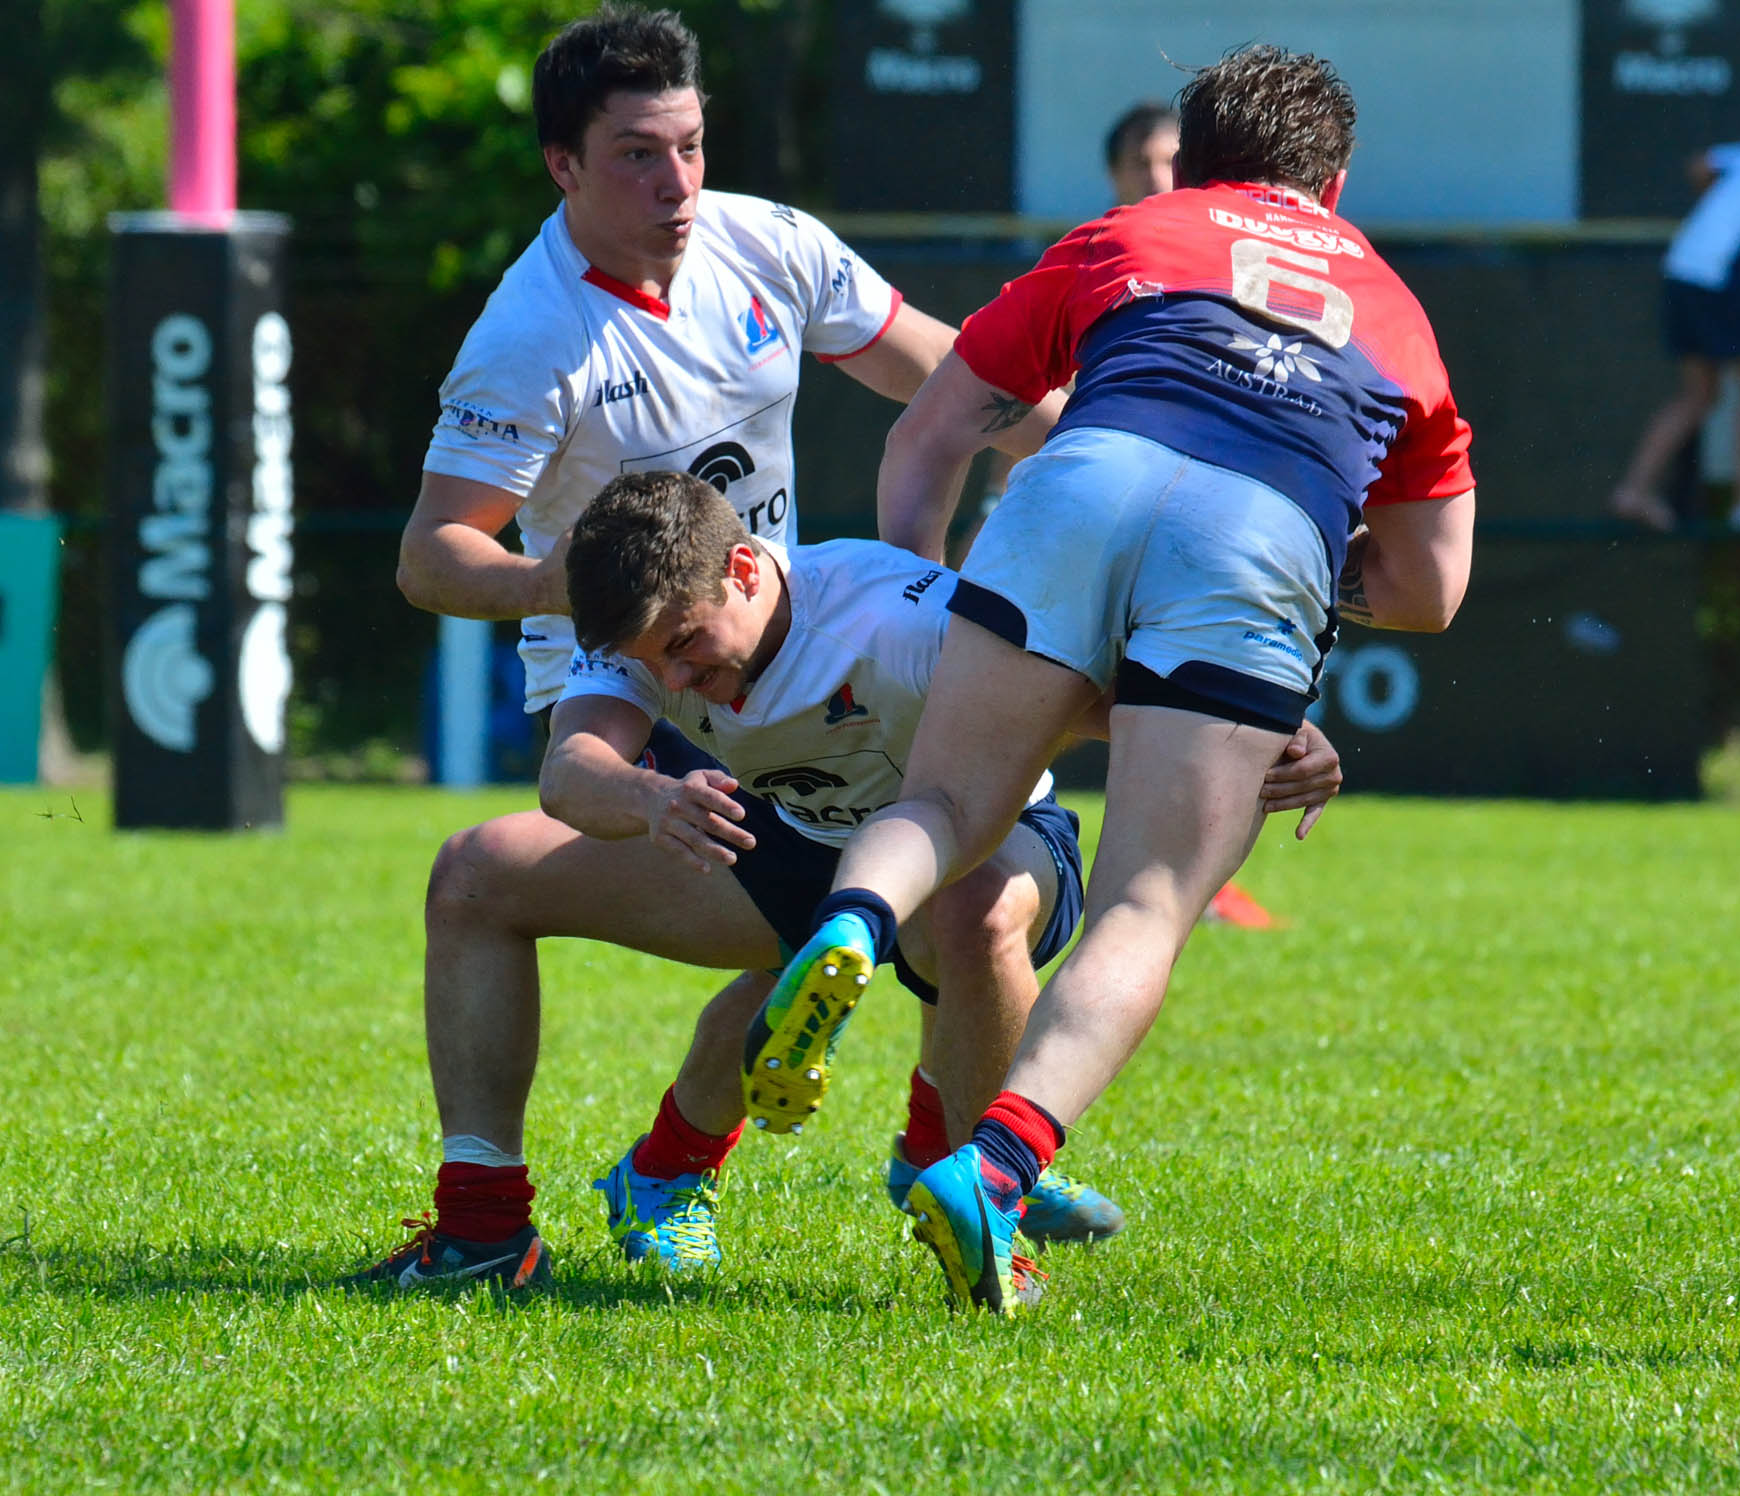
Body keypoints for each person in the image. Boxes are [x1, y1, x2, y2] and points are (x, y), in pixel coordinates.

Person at [746, 45, 1476, 1315]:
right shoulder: (1398, 308)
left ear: (1186, 162)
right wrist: (1315, 566)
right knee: (1145, 897)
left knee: (942, 806)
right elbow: (1430, 589)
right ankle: (995, 1163)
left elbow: (935, 429)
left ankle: (851, 927)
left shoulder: (1127, 231)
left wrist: (922, 602)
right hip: (1261, 529)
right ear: (1337, 183)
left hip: (1082, 476)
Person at [375, 5, 1062, 1282]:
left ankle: (929, 1159)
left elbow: (952, 379)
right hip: (651, 693)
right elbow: (429, 558)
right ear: (562, 165)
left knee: (891, 911)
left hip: (792, 643)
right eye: (637, 154)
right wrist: (610, 606)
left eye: (690, 144)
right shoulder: (533, 338)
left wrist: (1099, 467)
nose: (677, 182)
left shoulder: (767, 244)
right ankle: (517, 1218)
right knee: (547, 883)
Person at [348, 472, 1344, 1289]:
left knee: (975, 911)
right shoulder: (645, 636)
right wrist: (649, 799)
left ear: (746, 567)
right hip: (782, 832)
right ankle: (484, 1234)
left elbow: (1102, 699)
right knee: (476, 870)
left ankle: (982, 1214)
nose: (682, 684)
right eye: (659, 668)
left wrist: (1265, 737)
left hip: (988, 838)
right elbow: (570, 773)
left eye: (691, 649)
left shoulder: (895, 621)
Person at [977, 95, 1272, 929]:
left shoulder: (1228, 269)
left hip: (1192, 533)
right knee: (1045, 706)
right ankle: (989, 836)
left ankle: (1184, 873)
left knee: (1166, 699)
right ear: (1113, 175)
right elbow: (1011, 398)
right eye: (1142, 162)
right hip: (1073, 522)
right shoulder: (1091, 262)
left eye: (1170, 160)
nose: (1158, 175)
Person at [1612, 139, 1740, 533]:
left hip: (1681, 271)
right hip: (1716, 280)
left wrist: (1723, 215)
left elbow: (1699, 165)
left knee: (1700, 396)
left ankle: (1633, 491)